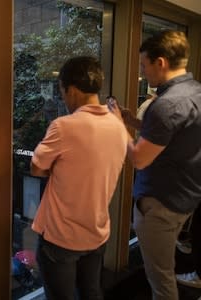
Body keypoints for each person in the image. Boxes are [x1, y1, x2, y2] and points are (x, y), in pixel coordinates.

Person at [109, 30, 201, 300]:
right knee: (164, 267)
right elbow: (174, 136)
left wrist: (117, 125)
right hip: (185, 198)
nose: (142, 72)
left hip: (160, 205)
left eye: (143, 65)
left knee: (160, 279)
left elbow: (138, 158)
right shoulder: (195, 92)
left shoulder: (166, 104)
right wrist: (132, 122)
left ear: (160, 63)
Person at [30, 56, 128, 300]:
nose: (63, 99)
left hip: (61, 237)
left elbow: (36, 168)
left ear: (72, 90)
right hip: (97, 231)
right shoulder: (118, 126)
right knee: (91, 292)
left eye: (62, 92)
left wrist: (59, 169)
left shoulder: (64, 126)